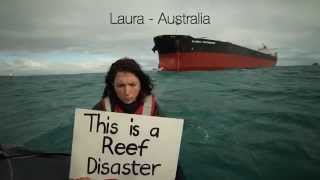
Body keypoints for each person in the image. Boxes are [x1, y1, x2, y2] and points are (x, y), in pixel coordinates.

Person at [74, 58, 185, 180]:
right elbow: (88, 153)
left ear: (141, 83)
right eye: (121, 85)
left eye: (132, 84)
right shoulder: (100, 109)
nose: (127, 92)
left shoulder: (154, 109)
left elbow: (165, 152)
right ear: (112, 85)